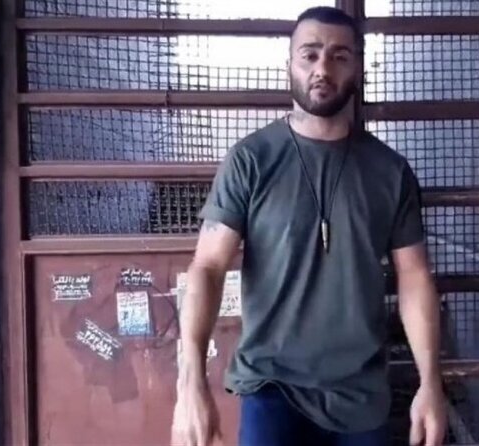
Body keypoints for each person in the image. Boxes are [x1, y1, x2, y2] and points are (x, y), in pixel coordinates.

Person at [171, 6, 447, 446]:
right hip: (271, 387)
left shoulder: (389, 172)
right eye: (310, 54)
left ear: (358, 67)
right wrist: (190, 383)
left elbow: (414, 277)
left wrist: (430, 383)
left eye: (339, 56)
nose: (323, 68)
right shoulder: (251, 160)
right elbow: (207, 266)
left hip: (361, 396)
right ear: (290, 64)